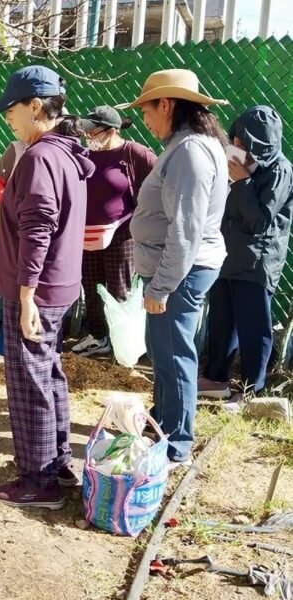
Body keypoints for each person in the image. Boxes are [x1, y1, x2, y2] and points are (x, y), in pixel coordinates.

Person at [0, 65, 95, 509]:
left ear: (35, 106)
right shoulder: (66, 152)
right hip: (59, 284)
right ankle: (58, 463)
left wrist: (26, 294)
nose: (7, 117)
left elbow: (38, 228)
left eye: (11, 108)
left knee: (29, 380)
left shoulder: (39, 157)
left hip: (36, 288)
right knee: (48, 372)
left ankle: (37, 480)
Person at [119, 69, 228, 467]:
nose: (144, 121)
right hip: (176, 268)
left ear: (166, 104)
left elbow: (187, 229)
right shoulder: (190, 146)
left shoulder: (190, 153)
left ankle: (177, 442)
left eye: (146, 110)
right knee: (164, 352)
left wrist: (161, 287)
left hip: (179, 271)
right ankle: (162, 424)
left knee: (176, 355)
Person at [200, 106, 293, 399]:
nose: (237, 146)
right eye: (236, 140)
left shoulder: (280, 169)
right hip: (227, 255)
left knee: (254, 328)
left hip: (257, 262)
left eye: (243, 142)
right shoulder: (242, 164)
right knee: (221, 322)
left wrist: (242, 182)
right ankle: (216, 380)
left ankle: (252, 389)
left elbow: (261, 220)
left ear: (260, 141)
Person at [72, 106, 156, 357]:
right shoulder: (84, 154)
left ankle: (124, 343)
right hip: (87, 231)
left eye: (93, 132)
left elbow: (157, 188)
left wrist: (139, 219)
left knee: (120, 288)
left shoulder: (134, 153)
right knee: (91, 285)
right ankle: (98, 337)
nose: (88, 137)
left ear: (111, 131)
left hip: (121, 231)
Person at [0, 140, 27, 349]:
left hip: (40, 234)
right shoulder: (17, 148)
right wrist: (12, 206)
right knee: (6, 281)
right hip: (9, 229)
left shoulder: (62, 149)